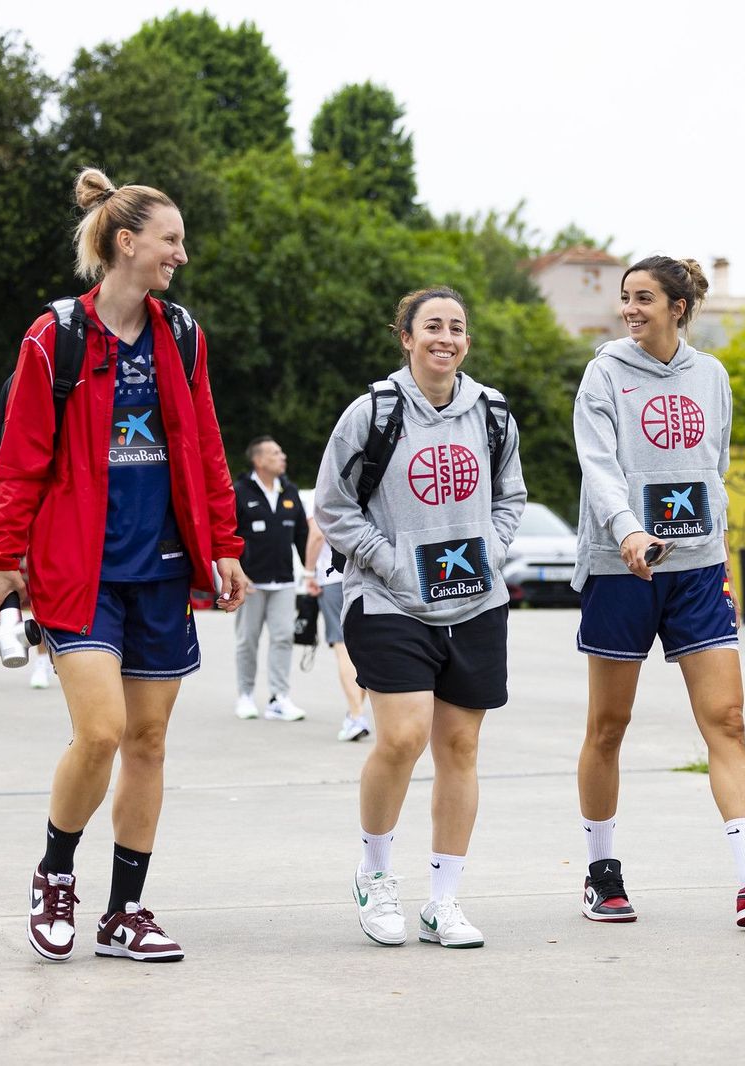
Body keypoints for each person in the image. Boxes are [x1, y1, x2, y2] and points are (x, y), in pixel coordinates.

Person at [0, 167, 248, 963]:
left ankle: (124, 913)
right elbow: (21, 457)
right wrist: (1, 558)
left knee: (150, 742)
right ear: (125, 243)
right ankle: (55, 874)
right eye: (171, 241)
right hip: (78, 571)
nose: (181, 255)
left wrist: (227, 543)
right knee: (100, 733)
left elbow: (203, 442)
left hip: (161, 570)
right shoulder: (54, 336)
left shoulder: (182, 334)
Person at [572, 255, 745, 929]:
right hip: (621, 570)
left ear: (677, 308)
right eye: (627, 298)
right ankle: (602, 872)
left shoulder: (711, 376)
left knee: (729, 720)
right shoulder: (604, 374)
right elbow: (598, 467)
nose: (631, 308)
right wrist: (628, 533)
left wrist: (720, 565)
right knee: (609, 726)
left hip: (697, 572)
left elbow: (715, 470)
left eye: (644, 298)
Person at [315, 286, 524, 950]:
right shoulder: (371, 413)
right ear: (405, 337)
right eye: (431, 326)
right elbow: (334, 503)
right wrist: (388, 561)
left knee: (460, 748)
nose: (445, 337)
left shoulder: (491, 413)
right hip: (390, 600)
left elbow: (511, 494)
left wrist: (490, 549)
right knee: (403, 738)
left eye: (456, 327)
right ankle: (375, 876)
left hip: (474, 604)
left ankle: (443, 899)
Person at [231, 436, 309, 722]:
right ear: (259, 460)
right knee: (247, 640)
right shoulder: (239, 492)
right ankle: (246, 695)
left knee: (283, 638)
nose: (283, 456)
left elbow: (302, 535)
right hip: (250, 583)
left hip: (284, 581)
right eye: (275, 453)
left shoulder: (290, 491)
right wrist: (238, 573)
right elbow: (229, 536)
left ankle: (278, 698)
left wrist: (310, 573)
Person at [303, 523, 370, 741]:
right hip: (367, 576)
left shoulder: (323, 491)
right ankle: (354, 713)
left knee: (342, 647)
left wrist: (308, 572)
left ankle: (357, 715)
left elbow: (316, 534)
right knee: (365, 649)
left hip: (333, 577)